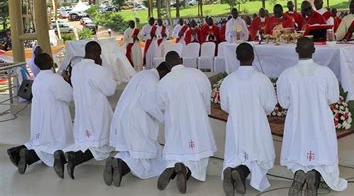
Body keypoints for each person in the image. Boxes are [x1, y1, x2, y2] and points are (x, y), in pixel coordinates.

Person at [277, 38, 347, 196]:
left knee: (299, 148)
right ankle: (314, 176)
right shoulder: (326, 73)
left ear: (296, 51)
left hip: (297, 120)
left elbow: (284, 103)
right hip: (320, 119)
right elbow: (333, 98)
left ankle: (300, 172)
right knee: (322, 149)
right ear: (314, 51)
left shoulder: (287, 75)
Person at [54, 41, 117, 179]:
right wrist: (101, 68)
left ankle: (66, 155)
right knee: (101, 147)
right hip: (97, 113)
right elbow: (110, 90)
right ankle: (73, 158)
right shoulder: (98, 70)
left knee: (85, 141)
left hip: (82, 112)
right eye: (99, 53)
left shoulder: (76, 68)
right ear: (96, 53)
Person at [220, 43, 277, 195]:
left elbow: (224, 106)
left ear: (237, 57)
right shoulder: (262, 79)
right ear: (253, 57)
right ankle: (241, 172)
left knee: (236, 152)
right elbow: (270, 105)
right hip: (257, 123)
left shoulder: (228, 80)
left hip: (236, 124)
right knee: (258, 153)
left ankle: (235, 170)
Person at [156, 51, 216, 194]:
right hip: (196, 120)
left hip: (175, 121)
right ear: (181, 60)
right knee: (198, 154)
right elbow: (207, 95)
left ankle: (172, 167)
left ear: (168, 65)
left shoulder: (164, 81)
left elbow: (161, 105)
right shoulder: (197, 74)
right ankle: (185, 171)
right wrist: (205, 111)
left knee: (176, 149)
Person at [105, 62, 170, 187]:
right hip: (136, 120)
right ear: (163, 72)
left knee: (132, 150)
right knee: (145, 157)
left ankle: (117, 161)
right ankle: (120, 164)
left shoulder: (141, 75)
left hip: (124, 116)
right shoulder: (152, 80)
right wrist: (166, 120)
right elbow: (152, 106)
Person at [7, 53, 73, 175]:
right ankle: (28, 155)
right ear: (51, 62)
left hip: (40, 119)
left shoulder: (37, 79)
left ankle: (25, 154)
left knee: (43, 143)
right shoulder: (55, 78)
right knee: (58, 144)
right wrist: (67, 81)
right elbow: (68, 96)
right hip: (55, 118)